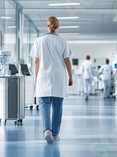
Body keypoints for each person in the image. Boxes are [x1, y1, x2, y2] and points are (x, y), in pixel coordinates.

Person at [30, 16, 74, 144]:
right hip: (58, 77)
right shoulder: (63, 42)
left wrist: (35, 77)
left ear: (47, 25)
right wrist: (70, 77)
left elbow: (36, 61)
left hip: (43, 76)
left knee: (44, 105)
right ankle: (55, 133)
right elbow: (67, 61)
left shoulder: (39, 41)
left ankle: (46, 130)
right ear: (57, 26)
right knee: (57, 107)